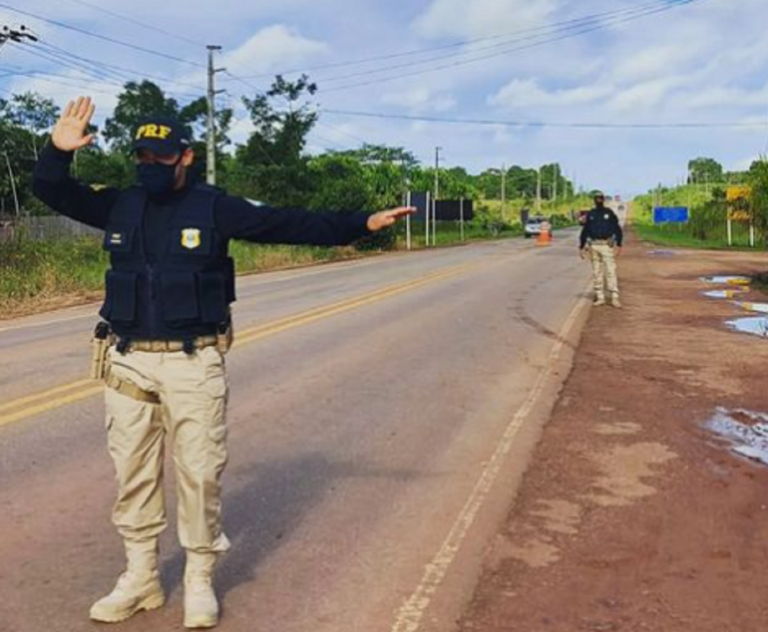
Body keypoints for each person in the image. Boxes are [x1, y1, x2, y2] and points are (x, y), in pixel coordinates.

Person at [32, 96, 414, 629]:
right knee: (133, 476)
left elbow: (288, 223)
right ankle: (140, 578)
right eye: (142, 155)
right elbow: (51, 190)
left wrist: (362, 222)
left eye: (160, 157)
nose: (149, 165)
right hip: (127, 363)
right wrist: (57, 150)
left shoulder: (214, 207)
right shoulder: (119, 204)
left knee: (200, 475)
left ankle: (198, 579)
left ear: (185, 157)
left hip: (194, 362)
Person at [579, 193, 623, 307]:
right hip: (594, 245)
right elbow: (585, 231)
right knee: (596, 272)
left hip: (606, 245)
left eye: (600, 198)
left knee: (610, 270)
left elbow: (617, 228)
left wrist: (619, 244)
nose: (598, 200)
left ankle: (614, 296)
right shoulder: (591, 214)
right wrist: (581, 246)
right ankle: (600, 296)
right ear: (594, 200)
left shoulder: (609, 213)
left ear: (603, 200)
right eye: (597, 198)